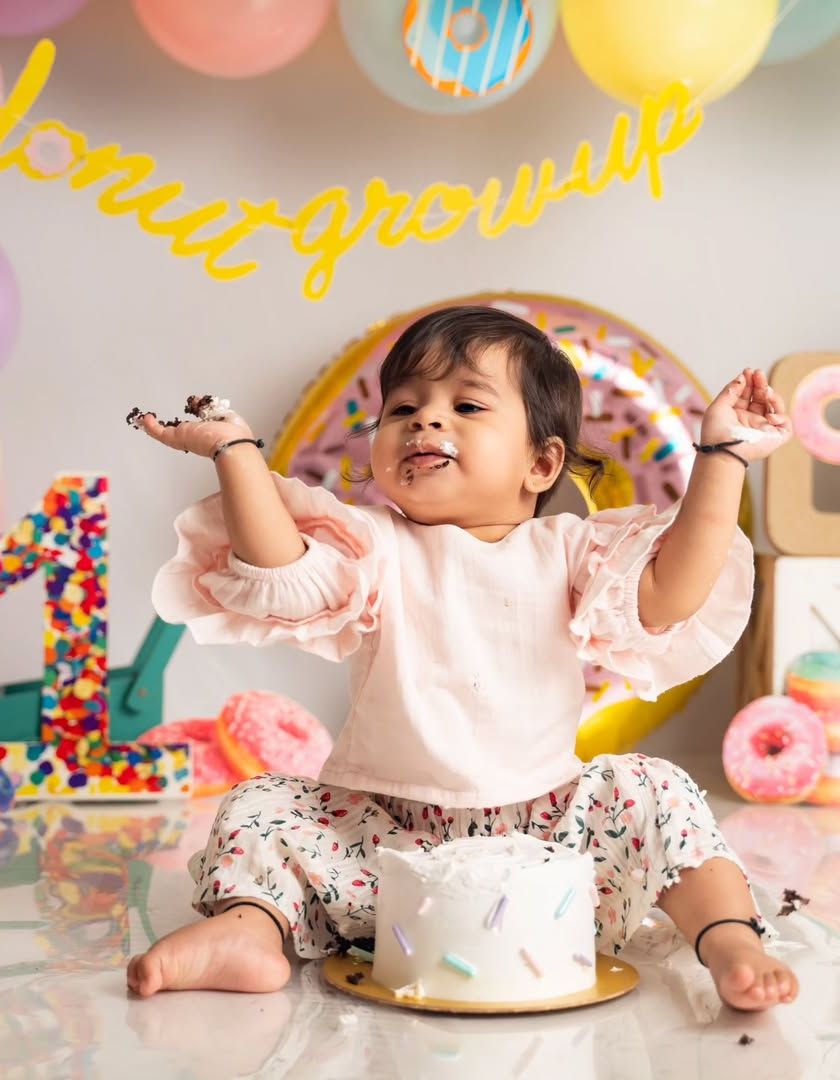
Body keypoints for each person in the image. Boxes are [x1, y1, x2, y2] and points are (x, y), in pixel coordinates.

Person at [125, 306, 797, 1010]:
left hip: (548, 845)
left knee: (657, 790)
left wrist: (722, 458)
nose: (425, 420)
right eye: (402, 408)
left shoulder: (570, 550)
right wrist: (235, 450)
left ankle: (729, 939)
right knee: (262, 803)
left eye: (466, 405)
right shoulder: (372, 544)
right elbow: (278, 565)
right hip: (380, 843)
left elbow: (669, 595)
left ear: (541, 463)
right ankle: (249, 931)